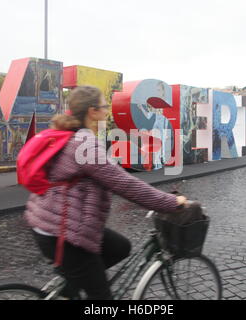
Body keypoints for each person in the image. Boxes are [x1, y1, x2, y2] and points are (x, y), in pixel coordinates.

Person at [24, 86, 187, 300]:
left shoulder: (68, 134)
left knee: (120, 247)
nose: (107, 112)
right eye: (104, 107)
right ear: (92, 111)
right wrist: (172, 202)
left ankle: (74, 284)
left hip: (49, 220)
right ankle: (83, 282)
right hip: (62, 233)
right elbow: (123, 183)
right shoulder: (85, 145)